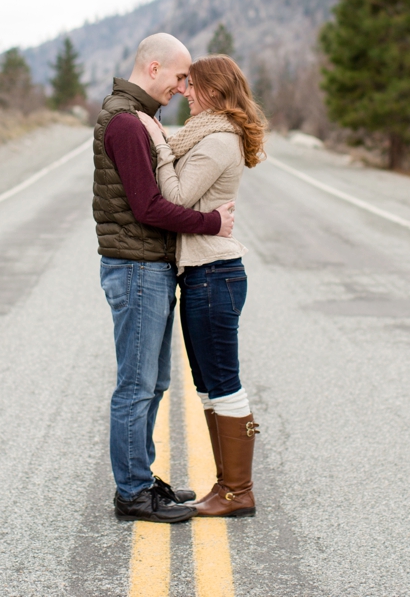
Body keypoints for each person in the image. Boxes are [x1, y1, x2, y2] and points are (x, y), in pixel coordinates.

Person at [94, 33, 237, 523]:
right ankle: (132, 493)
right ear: (153, 69)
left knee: (152, 383)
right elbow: (151, 207)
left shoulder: (141, 121)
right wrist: (213, 223)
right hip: (135, 267)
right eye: (179, 77)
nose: (182, 87)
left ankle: (141, 478)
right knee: (136, 385)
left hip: (147, 267)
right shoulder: (127, 123)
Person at [135, 53, 264, 518]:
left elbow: (175, 197)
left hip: (214, 276)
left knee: (223, 384)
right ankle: (227, 487)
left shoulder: (215, 143)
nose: (185, 91)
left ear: (213, 90)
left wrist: (162, 149)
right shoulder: (206, 135)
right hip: (206, 276)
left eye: (193, 84)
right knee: (210, 387)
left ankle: (238, 490)